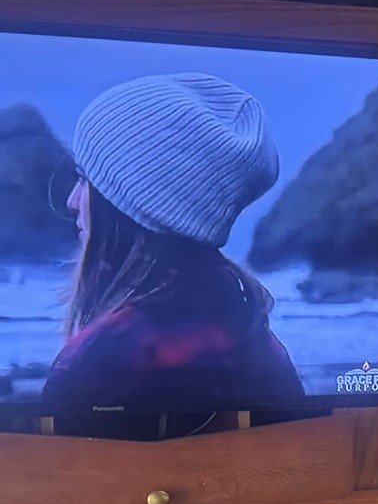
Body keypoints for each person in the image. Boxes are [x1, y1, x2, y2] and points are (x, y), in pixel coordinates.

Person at [43, 73, 304, 413]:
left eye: (84, 179)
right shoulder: (257, 343)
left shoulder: (94, 370)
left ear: (130, 205)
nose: (72, 201)